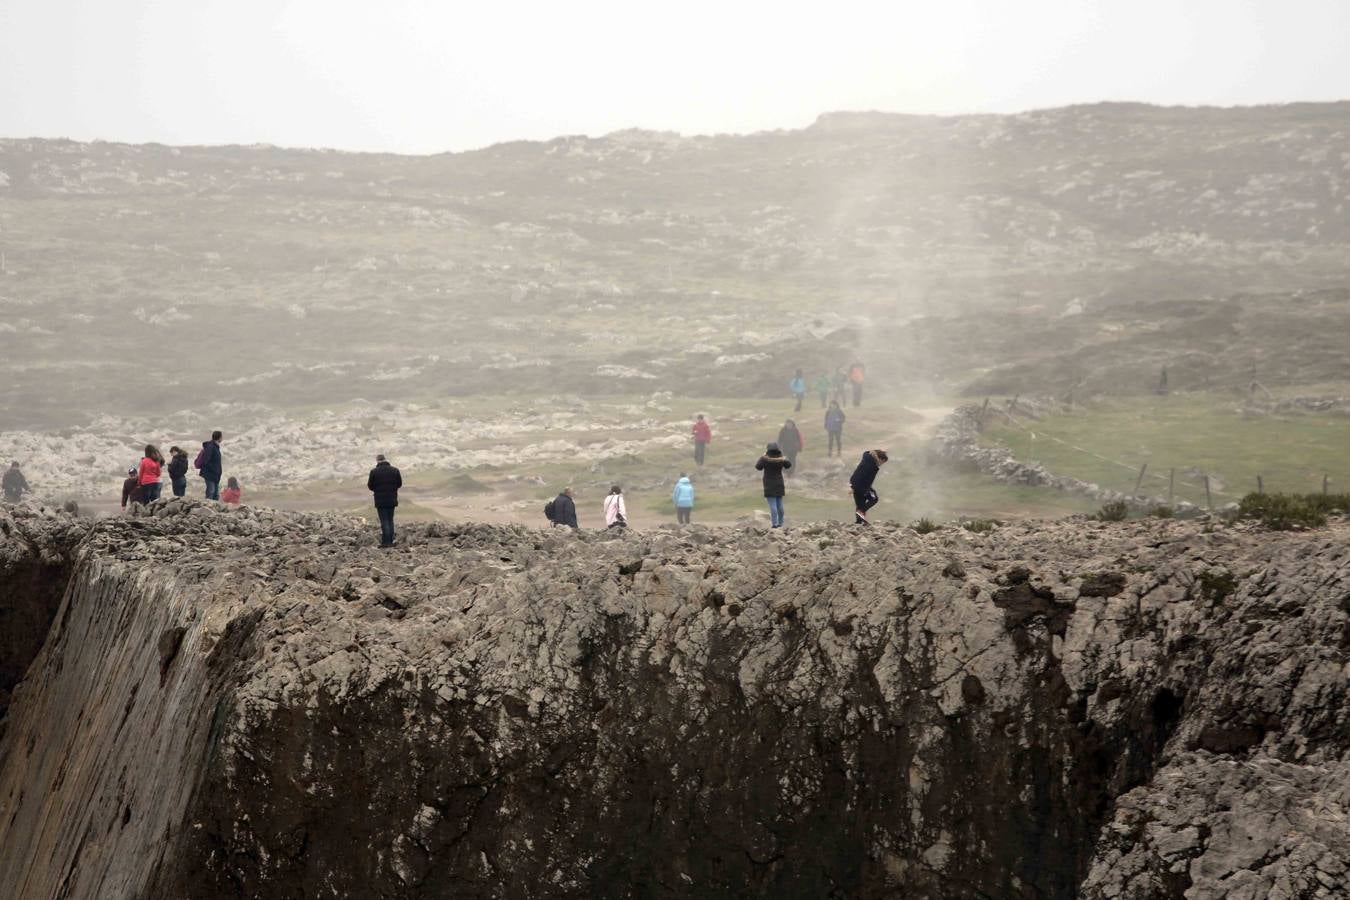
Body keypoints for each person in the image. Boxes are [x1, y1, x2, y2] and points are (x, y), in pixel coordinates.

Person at [367, 453, 403, 547]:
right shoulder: (395, 470)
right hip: (392, 499)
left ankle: (386, 542)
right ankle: (390, 541)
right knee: (390, 520)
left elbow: (370, 486)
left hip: (380, 500)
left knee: (384, 521)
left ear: (377, 461)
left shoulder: (374, 472)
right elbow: (399, 484)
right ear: (385, 460)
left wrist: (377, 489)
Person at [755, 442, 792, 528]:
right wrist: (783, 457)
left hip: (769, 484)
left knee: (773, 505)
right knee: (780, 504)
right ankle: (781, 523)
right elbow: (788, 465)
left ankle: (774, 524)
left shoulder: (765, 459)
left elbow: (758, 467)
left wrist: (763, 456)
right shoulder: (781, 459)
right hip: (779, 482)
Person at [850, 449, 889, 525]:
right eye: (882, 462)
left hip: (856, 483)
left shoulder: (867, 457)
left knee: (860, 503)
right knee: (874, 498)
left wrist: (853, 485)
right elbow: (861, 474)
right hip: (862, 485)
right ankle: (860, 513)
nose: (881, 464)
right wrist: (854, 486)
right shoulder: (871, 464)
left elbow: (858, 473)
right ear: (880, 459)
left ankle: (859, 522)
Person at [196, 430, 223, 500]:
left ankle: (214, 510)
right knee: (211, 492)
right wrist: (214, 470)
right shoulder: (211, 447)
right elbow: (206, 461)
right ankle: (207, 509)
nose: (222, 438)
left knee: (216, 494)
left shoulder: (216, 447)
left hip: (215, 474)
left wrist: (218, 472)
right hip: (210, 474)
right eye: (221, 437)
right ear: (219, 438)